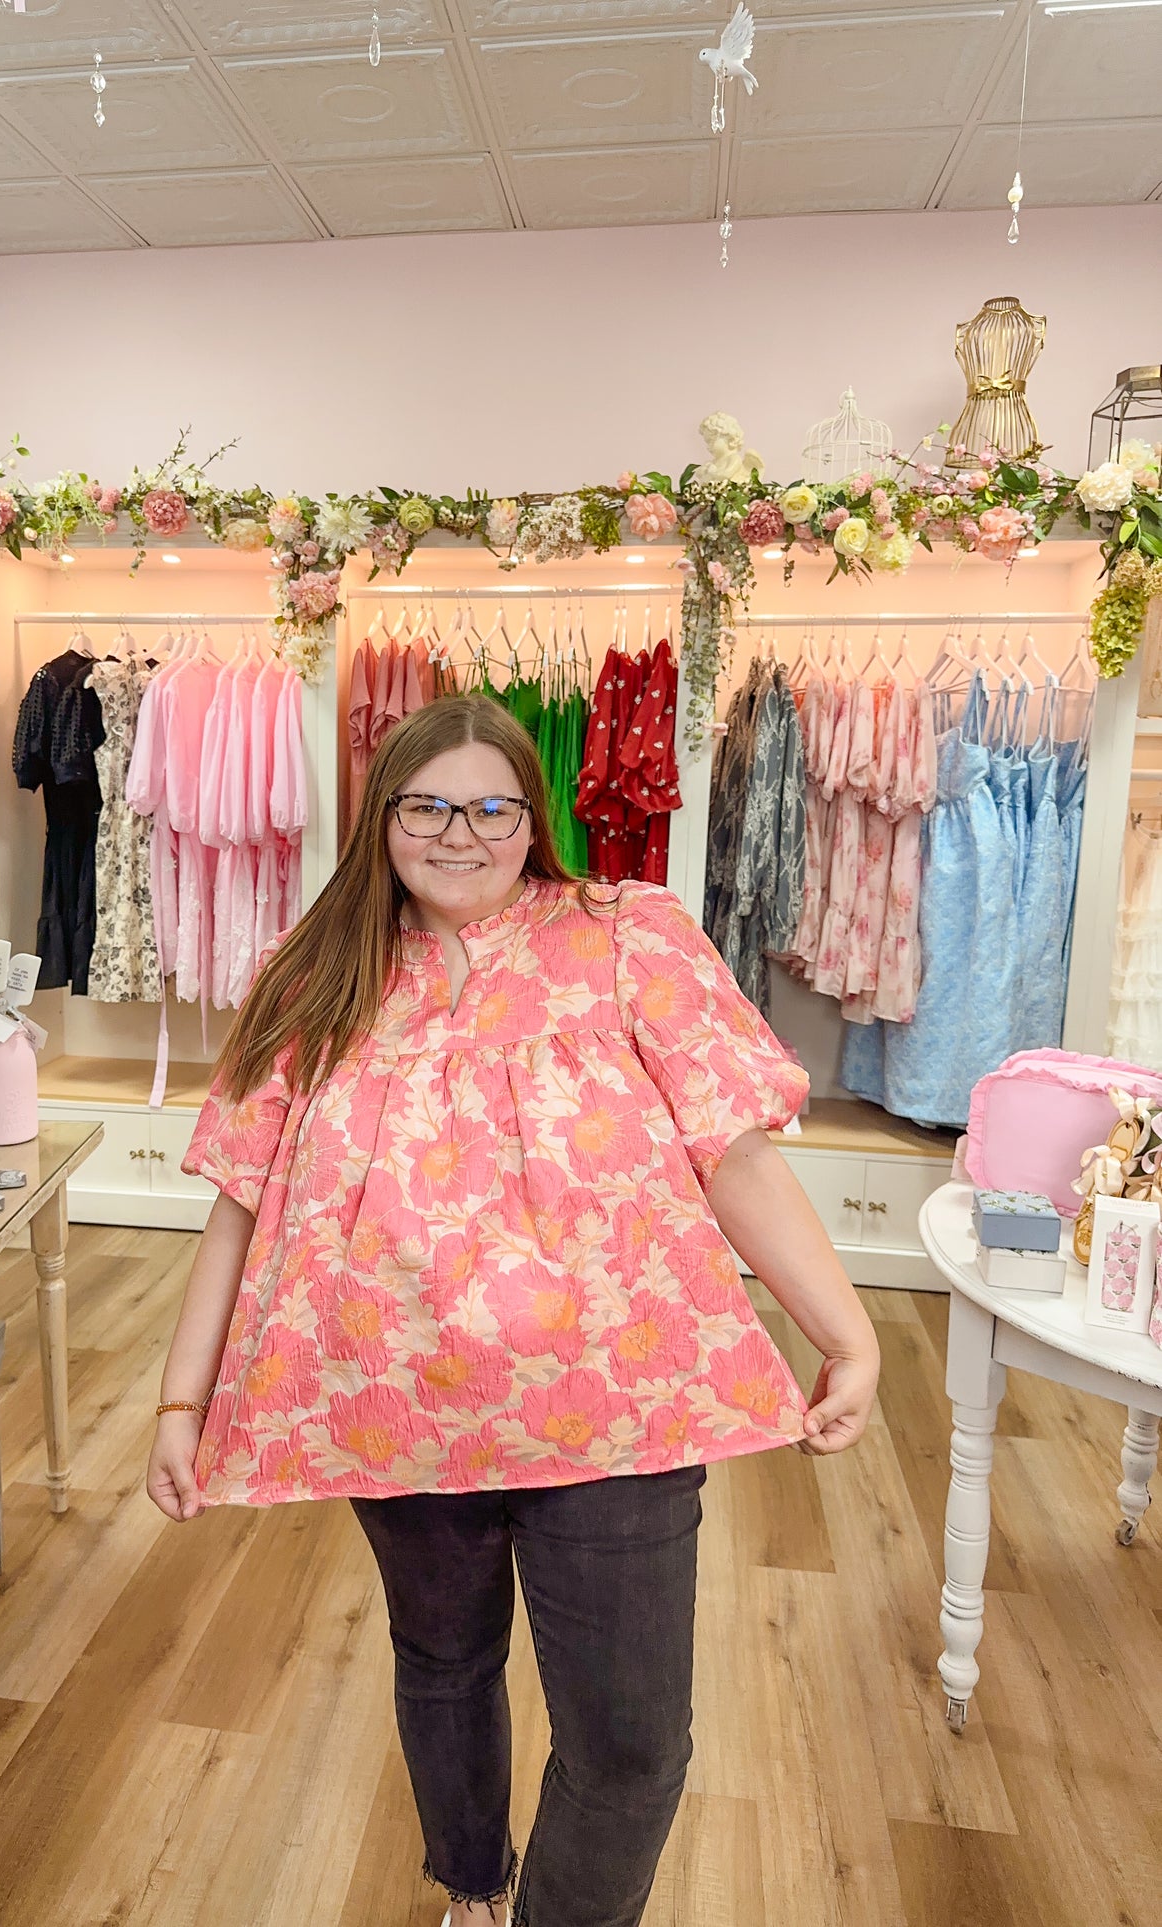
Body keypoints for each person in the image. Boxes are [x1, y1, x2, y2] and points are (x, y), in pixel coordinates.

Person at [148, 694, 879, 1927]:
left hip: (611, 1408)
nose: (459, 833)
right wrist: (181, 1399)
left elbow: (734, 1152)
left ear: (530, 819)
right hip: (390, 1403)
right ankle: (472, 1885)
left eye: (492, 806)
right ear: (382, 817)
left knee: (632, 1746)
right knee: (442, 1663)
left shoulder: (627, 933)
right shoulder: (312, 971)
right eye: (426, 805)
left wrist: (844, 1332)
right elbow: (239, 1202)